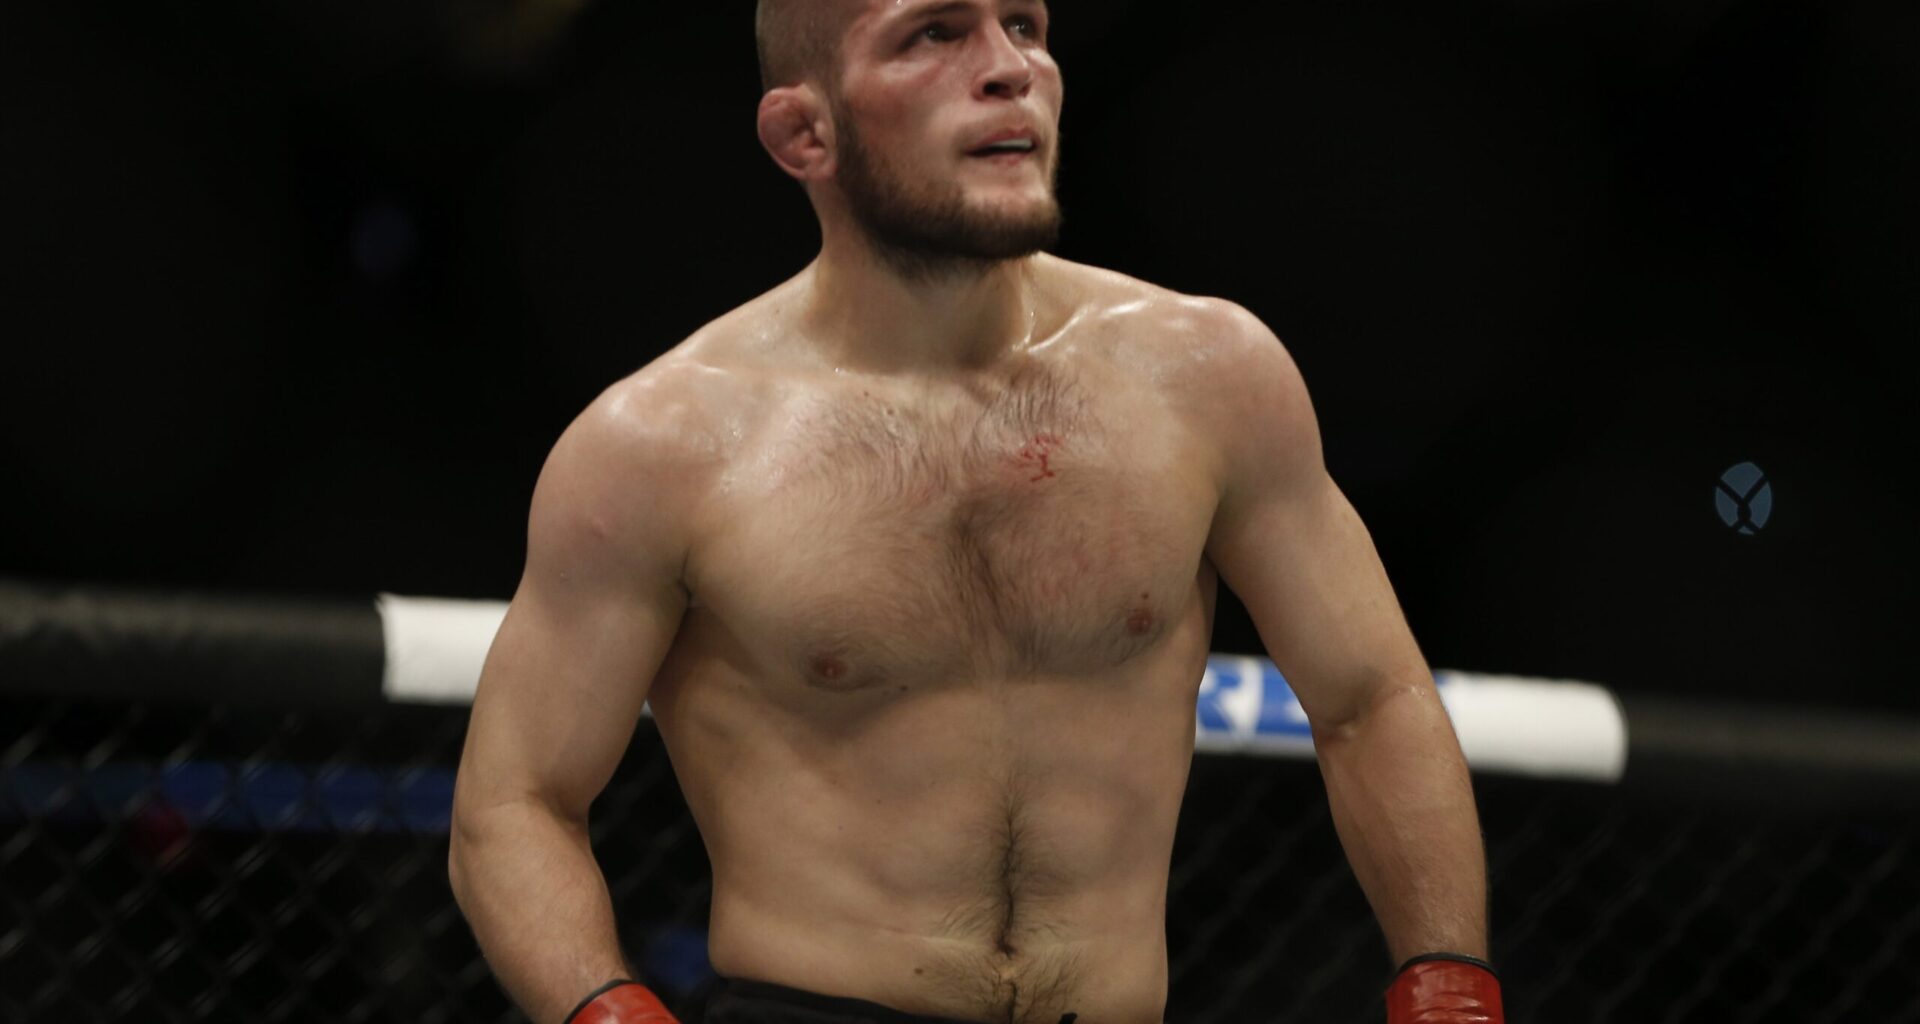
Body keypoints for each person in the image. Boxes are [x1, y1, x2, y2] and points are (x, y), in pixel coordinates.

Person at [448, 2, 1503, 1022]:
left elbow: (1373, 699)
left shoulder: (1207, 376)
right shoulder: (662, 448)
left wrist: (1450, 989)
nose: (1009, 68)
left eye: (1027, 27)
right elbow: (515, 804)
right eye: (935, 34)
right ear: (804, 131)